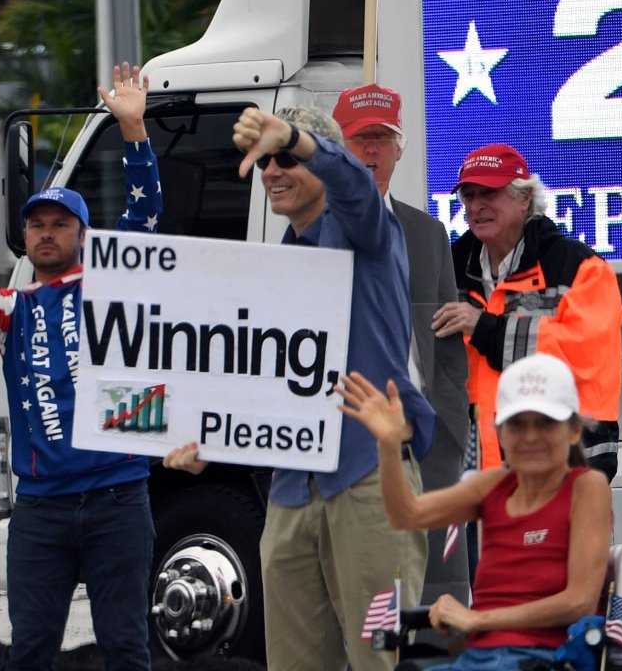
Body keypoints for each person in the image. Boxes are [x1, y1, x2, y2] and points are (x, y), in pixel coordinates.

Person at [170, 104, 436, 671]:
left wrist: (297, 136)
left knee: (383, 663)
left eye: (287, 158)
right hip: (290, 493)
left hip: (368, 480)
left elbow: (354, 184)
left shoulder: (368, 231)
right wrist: (206, 442)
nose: (273, 170)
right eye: (265, 160)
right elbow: (264, 389)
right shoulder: (276, 267)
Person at [0, 63, 165, 671]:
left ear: (83, 233)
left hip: (118, 498)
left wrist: (134, 131)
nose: (47, 234)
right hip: (41, 508)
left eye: (61, 224)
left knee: (127, 650)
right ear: (23, 235)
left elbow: (145, 218)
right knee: (29, 651)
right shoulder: (11, 311)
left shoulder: (115, 282)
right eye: (37, 224)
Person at [339, 354, 611, 668]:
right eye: (517, 424)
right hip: (477, 659)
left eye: (547, 422)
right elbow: (406, 515)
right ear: (499, 432)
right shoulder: (491, 485)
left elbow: (579, 601)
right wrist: (389, 446)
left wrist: (477, 618)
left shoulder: (587, 487)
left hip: (545, 658)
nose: (531, 435)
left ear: (574, 430)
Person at [336, 81, 474, 606]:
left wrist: (447, 429)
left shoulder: (427, 233)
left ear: (400, 148)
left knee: (435, 591)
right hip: (350, 443)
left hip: (425, 443)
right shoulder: (313, 230)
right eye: (359, 138)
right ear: (337, 149)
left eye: (381, 137)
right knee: (365, 596)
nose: (370, 149)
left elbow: (447, 353)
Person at [435, 143, 622, 480]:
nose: (476, 206)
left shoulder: (580, 267)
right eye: (468, 196)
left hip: (564, 471)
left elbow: (583, 353)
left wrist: (485, 329)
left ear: (525, 198)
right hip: (472, 476)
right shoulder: (446, 268)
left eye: (489, 194)